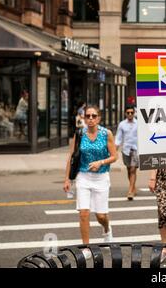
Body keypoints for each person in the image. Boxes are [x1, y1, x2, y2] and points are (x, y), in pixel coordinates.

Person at [63, 105, 118, 259]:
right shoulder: (79, 134)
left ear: (99, 118)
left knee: (101, 216)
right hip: (83, 177)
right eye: (88, 116)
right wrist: (67, 178)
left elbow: (115, 156)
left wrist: (101, 162)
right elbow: (72, 157)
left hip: (101, 177)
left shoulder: (106, 134)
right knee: (84, 213)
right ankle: (86, 247)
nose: (91, 119)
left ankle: (107, 230)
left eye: (94, 116)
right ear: (84, 118)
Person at [115, 105, 138, 200]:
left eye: (131, 112)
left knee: (133, 169)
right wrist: (114, 150)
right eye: (128, 113)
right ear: (125, 113)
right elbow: (118, 138)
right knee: (129, 169)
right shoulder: (122, 124)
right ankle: (133, 186)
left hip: (136, 149)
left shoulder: (139, 123)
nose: (130, 114)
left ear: (134, 113)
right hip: (126, 150)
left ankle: (130, 191)